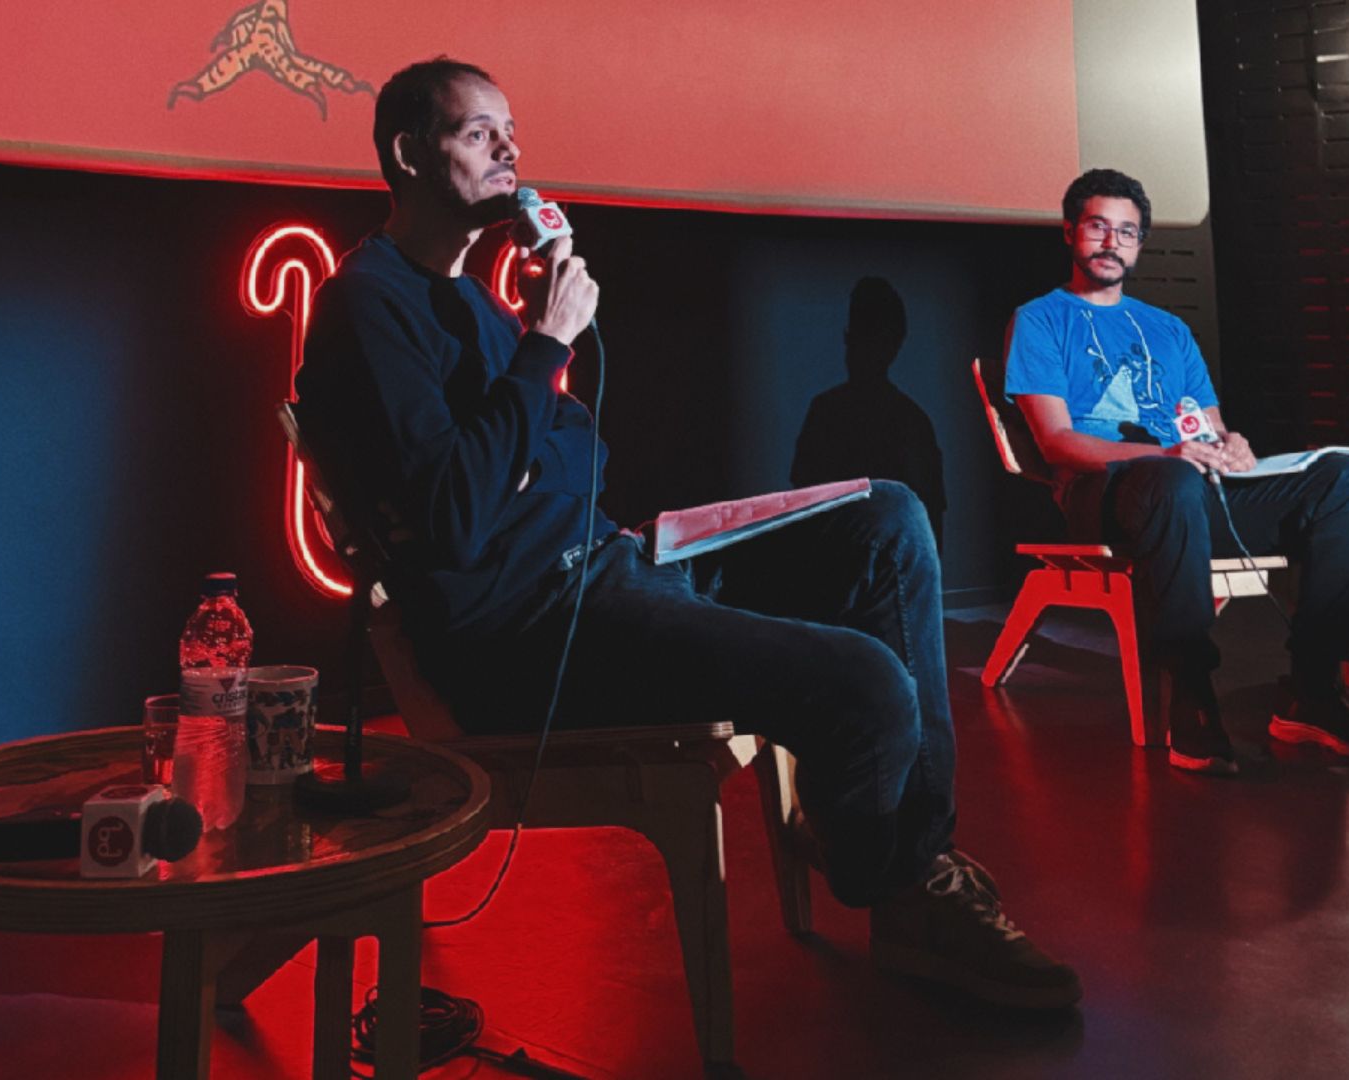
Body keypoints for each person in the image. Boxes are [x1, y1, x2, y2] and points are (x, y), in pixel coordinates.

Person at [294, 57, 1080, 1008]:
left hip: (609, 563)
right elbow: (457, 523)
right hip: (530, 639)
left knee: (888, 516)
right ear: (408, 155)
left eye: (511, 130)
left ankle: (903, 860)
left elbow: (576, 459)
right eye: (476, 133)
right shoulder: (364, 307)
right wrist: (546, 348)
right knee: (866, 685)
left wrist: (537, 382)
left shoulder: (470, 299)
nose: (510, 149)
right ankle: (906, 886)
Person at [1003, 169, 1349, 775]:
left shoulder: (1169, 329)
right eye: (1098, 227)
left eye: (1128, 232)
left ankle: (1312, 689)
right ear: (1070, 232)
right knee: (1173, 482)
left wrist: (1232, 447)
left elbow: (1209, 427)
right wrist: (1164, 457)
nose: (1113, 242)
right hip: (1107, 493)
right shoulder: (1039, 319)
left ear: (1140, 244)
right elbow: (1057, 444)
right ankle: (1191, 693)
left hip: (1190, 491)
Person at [791, 276, 947, 550]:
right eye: (859, 332)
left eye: (871, 334)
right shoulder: (825, 411)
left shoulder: (912, 423)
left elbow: (931, 522)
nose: (859, 346)